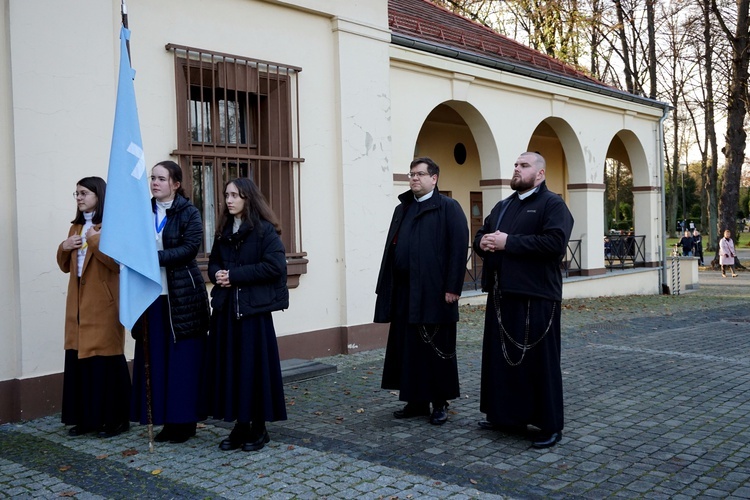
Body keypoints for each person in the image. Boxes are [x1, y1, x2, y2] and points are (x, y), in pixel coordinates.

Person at [473, 152, 573, 449]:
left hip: (537, 296)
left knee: (539, 364)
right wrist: (482, 241)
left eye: (524, 165)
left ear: (540, 174)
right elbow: (483, 232)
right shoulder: (504, 206)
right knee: (501, 361)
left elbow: (555, 244)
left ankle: (549, 425)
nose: (516, 169)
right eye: (516, 165)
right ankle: (504, 416)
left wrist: (508, 242)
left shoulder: (553, 204)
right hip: (502, 294)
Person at [374, 157, 469, 426]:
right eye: (411, 174)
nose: (414, 178)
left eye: (420, 174)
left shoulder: (448, 208)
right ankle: (415, 401)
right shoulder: (402, 209)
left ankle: (440, 402)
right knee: (408, 348)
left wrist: (453, 287)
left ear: (434, 178)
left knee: (435, 348)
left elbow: (458, 249)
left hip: (435, 293)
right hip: (405, 292)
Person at [130, 161, 210, 443]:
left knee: (182, 363)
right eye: (152, 178)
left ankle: (184, 421)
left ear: (176, 184)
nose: (154, 183)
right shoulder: (142, 211)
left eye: (161, 178)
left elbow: (189, 249)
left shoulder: (189, 212)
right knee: (157, 359)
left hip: (181, 297)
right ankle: (163, 419)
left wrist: (151, 260)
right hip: (151, 295)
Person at [207, 177, 289, 452]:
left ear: (248, 198)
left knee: (253, 372)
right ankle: (240, 424)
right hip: (226, 311)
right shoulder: (224, 229)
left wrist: (235, 276)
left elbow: (275, 266)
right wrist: (215, 273)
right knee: (231, 370)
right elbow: (215, 260)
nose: (229, 200)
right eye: (227, 194)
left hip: (253, 313)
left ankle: (258, 427)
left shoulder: (265, 231)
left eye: (235, 195)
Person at [57, 177, 131, 438]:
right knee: (80, 361)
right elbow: (66, 266)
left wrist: (96, 240)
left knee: (105, 361)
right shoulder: (75, 227)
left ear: (98, 196)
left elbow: (117, 263)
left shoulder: (111, 225)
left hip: (103, 304)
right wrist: (64, 248)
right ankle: (86, 418)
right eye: (76, 193)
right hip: (78, 305)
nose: (79, 197)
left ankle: (115, 420)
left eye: (84, 193)